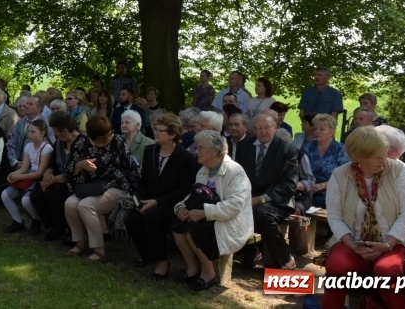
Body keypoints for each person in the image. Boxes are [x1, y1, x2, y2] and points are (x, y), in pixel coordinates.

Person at [322, 126, 405, 309]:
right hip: (354, 242)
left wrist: (387, 244)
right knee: (336, 267)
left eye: (386, 154)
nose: (385, 160)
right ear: (359, 157)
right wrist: (351, 244)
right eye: (378, 156)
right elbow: (334, 217)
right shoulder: (339, 175)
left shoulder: (400, 170)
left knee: (387, 271)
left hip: (396, 242)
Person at [172, 130, 253, 291]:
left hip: (231, 221)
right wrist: (181, 207)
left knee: (194, 230)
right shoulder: (204, 170)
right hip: (209, 216)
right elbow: (192, 195)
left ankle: (209, 274)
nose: (196, 151)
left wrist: (203, 213)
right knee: (177, 226)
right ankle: (192, 269)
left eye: (200, 148)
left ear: (215, 151)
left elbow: (233, 206)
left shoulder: (235, 171)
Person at [126, 113, 197, 279]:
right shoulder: (150, 150)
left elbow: (184, 190)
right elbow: (143, 180)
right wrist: (140, 200)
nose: (155, 133)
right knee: (132, 219)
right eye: (155, 129)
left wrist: (156, 202)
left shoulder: (185, 157)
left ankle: (162, 261)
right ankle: (148, 255)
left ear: (173, 134)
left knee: (153, 217)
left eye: (160, 130)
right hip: (149, 199)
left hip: (172, 202)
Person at [64, 114, 140, 262]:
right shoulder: (81, 144)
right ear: (92, 136)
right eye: (103, 137)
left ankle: (99, 250)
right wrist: (80, 165)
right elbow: (69, 170)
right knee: (70, 204)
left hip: (116, 186)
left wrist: (136, 192)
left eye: (109, 133)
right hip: (91, 187)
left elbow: (131, 166)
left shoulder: (118, 141)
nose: (108, 137)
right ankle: (79, 243)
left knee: (86, 205)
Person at [235, 114, 299, 270]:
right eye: (258, 128)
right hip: (248, 198)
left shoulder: (287, 149)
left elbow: (289, 185)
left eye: (266, 128)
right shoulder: (244, 146)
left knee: (261, 213)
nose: (262, 132)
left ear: (275, 127)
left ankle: (284, 258)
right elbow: (238, 175)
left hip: (277, 199)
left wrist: (262, 198)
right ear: (253, 130)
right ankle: (252, 250)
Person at [31, 112, 86, 241]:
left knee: (53, 197)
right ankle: (54, 226)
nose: (55, 134)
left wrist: (52, 180)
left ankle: (66, 230)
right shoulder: (59, 143)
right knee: (36, 195)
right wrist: (48, 173)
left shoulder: (83, 144)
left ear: (66, 131)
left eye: (56, 131)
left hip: (75, 182)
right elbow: (53, 164)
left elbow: (75, 172)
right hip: (57, 179)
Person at [1, 120, 53, 234]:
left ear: (42, 133)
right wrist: (14, 174)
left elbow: (39, 173)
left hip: (37, 179)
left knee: (26, 200)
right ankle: (17, 221)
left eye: (33, 132)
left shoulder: (47, 148)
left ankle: (36, 221)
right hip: (28, 176)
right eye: (28, 131)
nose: (29, 134)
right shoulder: (28, 146)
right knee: (5, 195)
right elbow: (24, 167)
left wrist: (19, 177)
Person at [302, 113, 349, 208]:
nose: (317, 132)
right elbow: (300, 171)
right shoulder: (306, 147)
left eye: (322, 129)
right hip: (307, 189)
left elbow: (344, 175)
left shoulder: (340, 149)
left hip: (331, 190)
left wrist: (323, 185)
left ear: (331, 132)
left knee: (319, 201)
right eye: (315, 129)